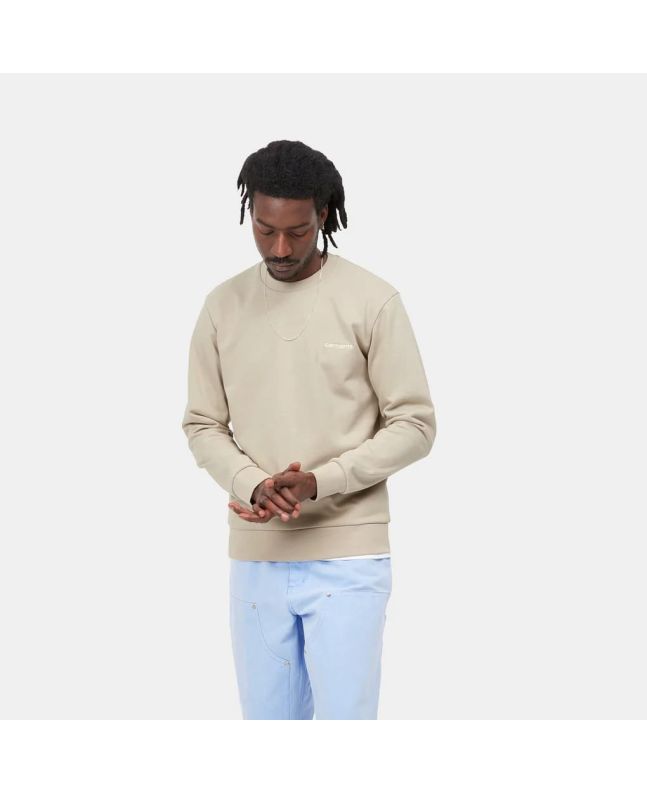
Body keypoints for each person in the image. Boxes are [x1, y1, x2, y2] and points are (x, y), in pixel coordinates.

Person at [181, 139, 437, 719]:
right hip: (256, 557)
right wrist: (251, 483)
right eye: (265, 229)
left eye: (297, 231)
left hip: (349, 557)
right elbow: (202, 423)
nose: (280, 247)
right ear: (250, 212)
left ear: (323, 215)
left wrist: (321, 481)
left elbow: (415, 423)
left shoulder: (372, 300)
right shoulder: (222, 306)